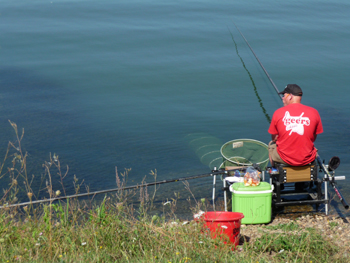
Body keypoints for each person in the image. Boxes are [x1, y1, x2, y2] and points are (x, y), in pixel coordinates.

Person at [268, 84, 323, 167]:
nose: (282, 98)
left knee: (271, 144)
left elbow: (274, 138)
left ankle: (276, 171)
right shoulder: (314, 112)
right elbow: (313, 138)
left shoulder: (278, 112)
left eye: (284, 95)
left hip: (284, 159)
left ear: (290, 96)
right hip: (307, 158)